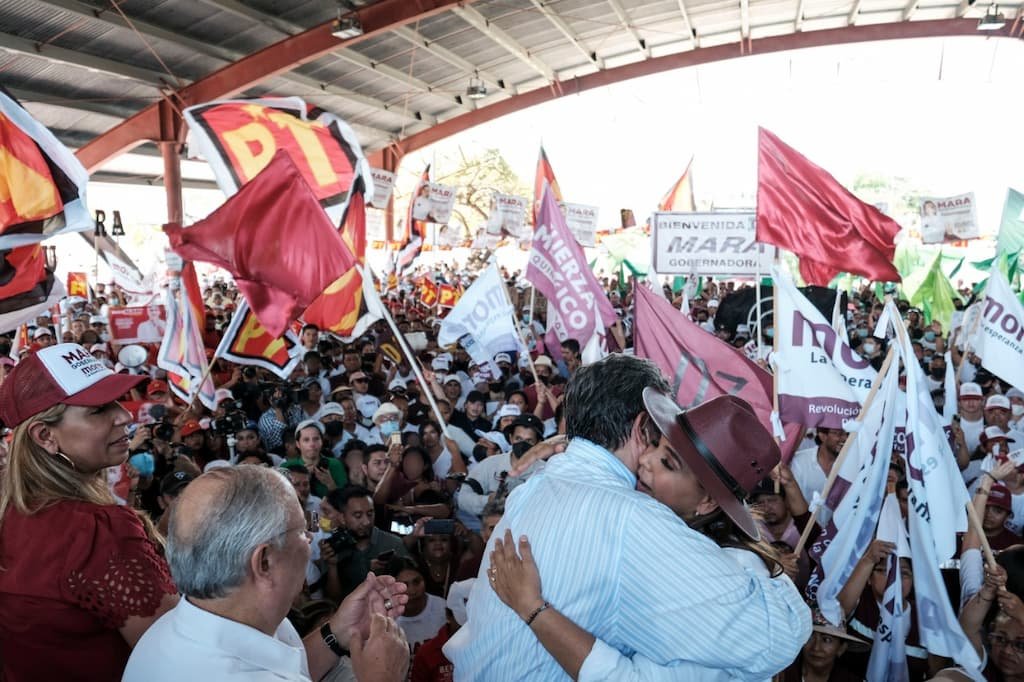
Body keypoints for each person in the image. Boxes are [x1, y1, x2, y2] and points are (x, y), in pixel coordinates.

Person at [444, 354, 811, 680]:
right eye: (659, 444)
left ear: (708, 503)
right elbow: (777, 636)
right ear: (641, 428)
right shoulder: (634, 519)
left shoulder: (535, 489)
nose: (648, 462)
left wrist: (536, 610)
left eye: (668, 462)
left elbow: (776, 637)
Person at [124, 466, 411, 681]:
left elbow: (288, 666)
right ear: (263, 562)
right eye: (300, 531)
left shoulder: (184, 623)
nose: (310, 539)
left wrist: (337, 632)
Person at [0, 344, 179, 680]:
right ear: (45, 436)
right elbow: (179, 661)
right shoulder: (97, 532)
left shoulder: (10, 515)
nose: (124, 416)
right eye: (98, 409)